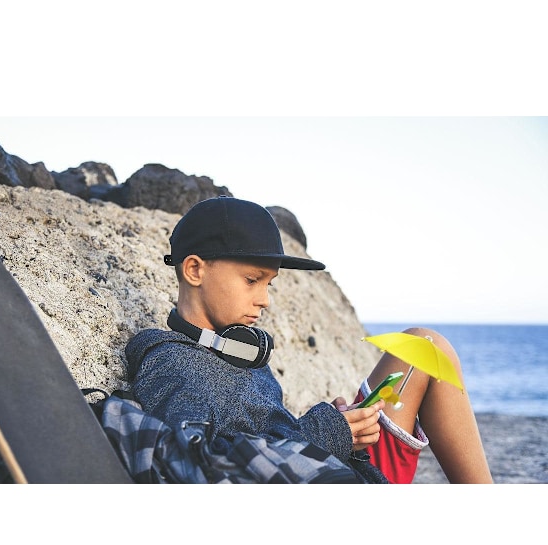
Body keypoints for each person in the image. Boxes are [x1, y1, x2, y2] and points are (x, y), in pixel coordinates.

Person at [125, 196, 493, 484]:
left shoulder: (242, 352)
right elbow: (197, 464)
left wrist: (343, 428)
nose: (264, 300)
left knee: (425, 346)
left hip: (336, 467)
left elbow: (269, 435)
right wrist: (326, 433)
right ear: (194, 270)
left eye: (269, 284)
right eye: (252, 281)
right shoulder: (170, 360)